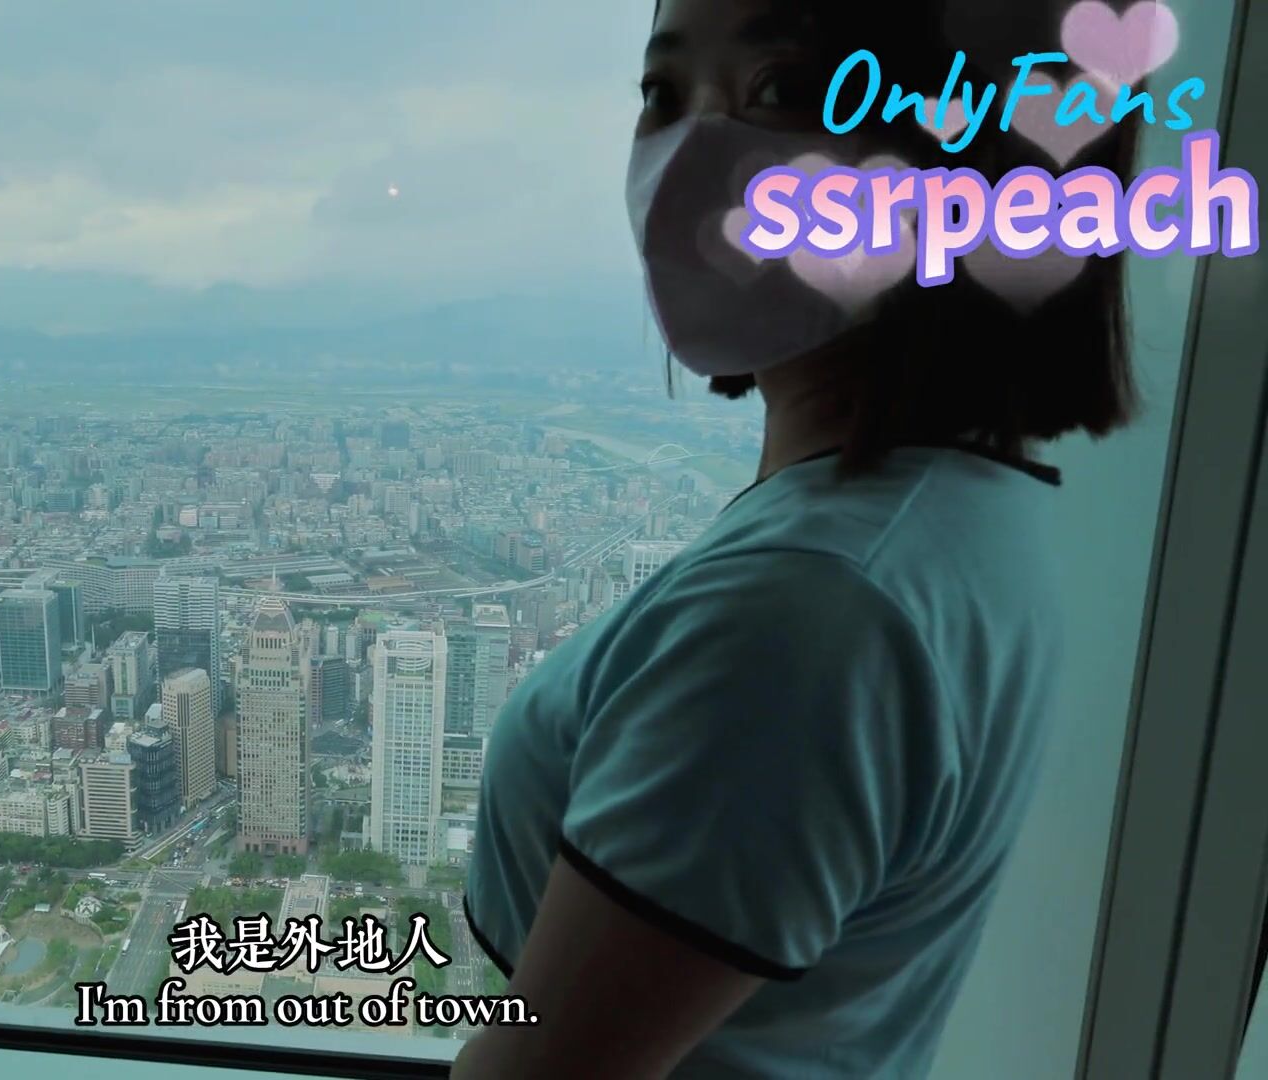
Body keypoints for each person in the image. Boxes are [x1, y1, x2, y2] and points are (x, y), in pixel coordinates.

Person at [453, 0, 1138, 1076]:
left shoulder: (808, 608)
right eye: (662, 93)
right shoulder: (955, 516)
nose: (692, 159)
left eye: (782, 89)